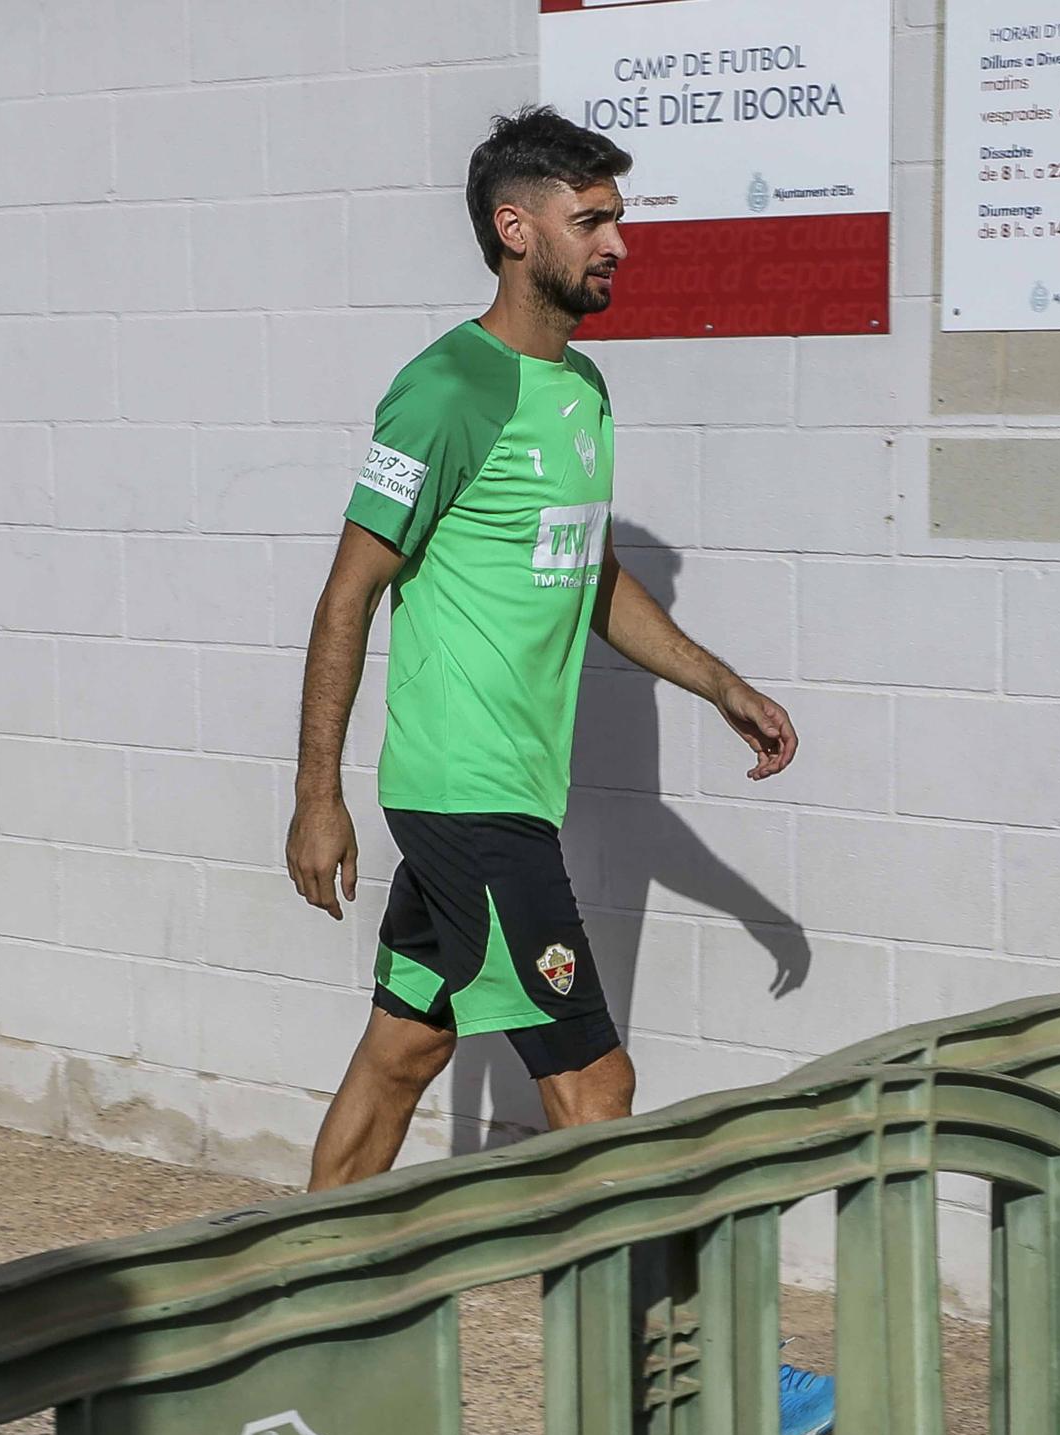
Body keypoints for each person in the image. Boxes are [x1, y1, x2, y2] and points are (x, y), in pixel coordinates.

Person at [285, 105, 797, 1188]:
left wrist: (719, 684)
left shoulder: (581, 388)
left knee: (405, 1048)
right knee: (595, 1093)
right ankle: (666, 1360)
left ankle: (291, 1295)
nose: (616, 243)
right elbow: (346, 596)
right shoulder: (446, 391)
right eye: (592, 220)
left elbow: (584, 571)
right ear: (516, 229)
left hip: (508, 790)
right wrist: (316, 793)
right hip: (466, 796)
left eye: (616, 219)